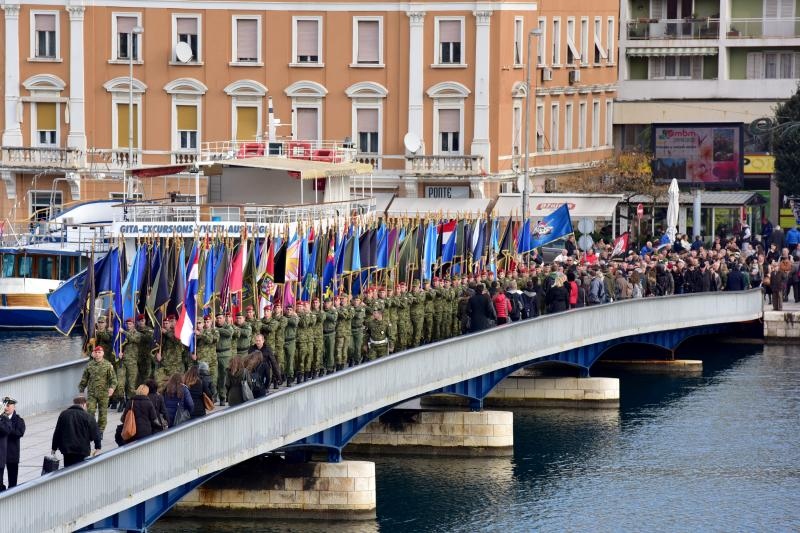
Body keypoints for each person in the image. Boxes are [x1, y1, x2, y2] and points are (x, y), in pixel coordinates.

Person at [51, 396, 102, 467]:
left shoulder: (64, 414)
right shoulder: (88, 416)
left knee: (68, 469)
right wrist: (98, 447)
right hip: (82, 449)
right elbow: (96, 433)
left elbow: (57, 432)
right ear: (84, 404)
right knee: (80, 469)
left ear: (74, 403)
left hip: (67, 449)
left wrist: (54, 448)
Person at [78, 345, 117, 435]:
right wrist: (81, 391)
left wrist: (112, 388)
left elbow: (113, 379)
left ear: (103, 354)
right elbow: (84, 379)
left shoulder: (108, 365)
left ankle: (100, 431)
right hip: (92, 393)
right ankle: (92, 429)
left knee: (103, 413)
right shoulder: (89, 365)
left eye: (99, 352)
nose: (98, 354)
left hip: (104, 394)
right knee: (90, 411)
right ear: (93, 354)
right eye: (96, 352)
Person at [1, 397, 24, 490]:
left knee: (13, 482)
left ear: (14, 407)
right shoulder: (1, 419)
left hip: (12, 455)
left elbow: (19, 432)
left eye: (8, 405)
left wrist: (7, 428)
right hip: (1, 455)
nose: (6, 408)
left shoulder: (18, 420)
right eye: (5, 405)